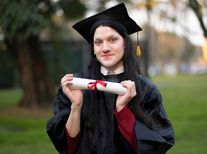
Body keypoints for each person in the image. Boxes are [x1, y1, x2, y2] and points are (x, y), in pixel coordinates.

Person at [46, 3, 174, 154]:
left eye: (112, 40)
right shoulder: (76, 86)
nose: (105, 48)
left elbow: (154, 146)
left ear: (125, 43)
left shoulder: (146, 90)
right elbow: (67, 146)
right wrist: (76, 106)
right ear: (93, 48)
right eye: (98, 42)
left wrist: (122, 110)